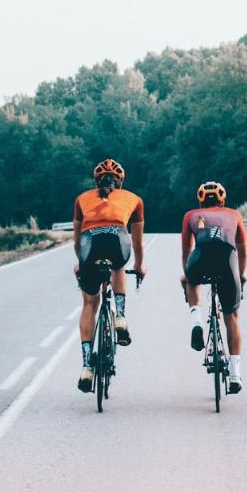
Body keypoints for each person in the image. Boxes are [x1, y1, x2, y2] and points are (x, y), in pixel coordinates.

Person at [73, 158, 145, 393]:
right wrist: (140, 266)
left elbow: (77, 241)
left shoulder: (82, 199)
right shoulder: (134, 199)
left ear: (96, 181)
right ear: (121, 181)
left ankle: (86, 366)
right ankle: (120, 317)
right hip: (117, 240)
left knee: (89, 303)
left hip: (89, 245)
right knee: (118, 266)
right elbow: (137, 244)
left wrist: (80, 264)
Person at [180, 180, 247, 394]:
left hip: (200, 258)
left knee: (192, 281)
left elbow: (185, 251)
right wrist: (241, 275)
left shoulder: (190, 216)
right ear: (222, 199)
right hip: (227, 262)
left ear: (201, 200)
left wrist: (187, 275)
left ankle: (196, 321)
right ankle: (235, 374)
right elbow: (242, 250)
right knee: (232, 317)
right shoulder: (234, 215)